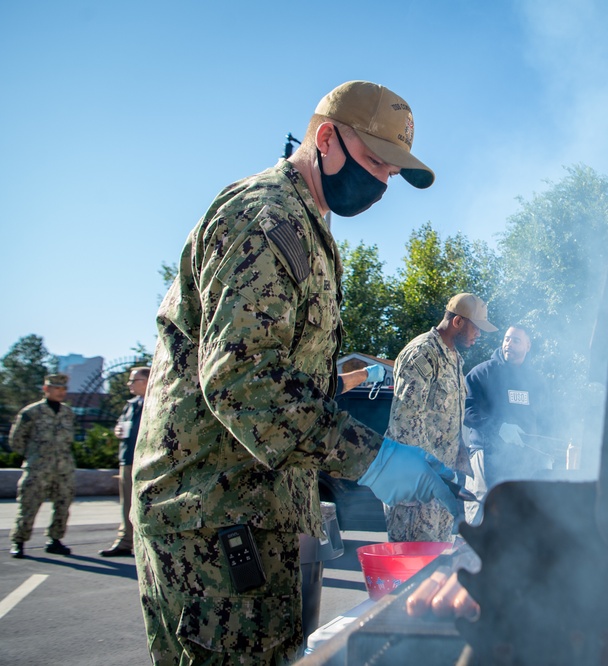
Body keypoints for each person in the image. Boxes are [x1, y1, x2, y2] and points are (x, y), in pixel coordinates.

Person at [131, 80, 461, 665]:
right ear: (326, 138)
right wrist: (375, 460)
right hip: (210, 522)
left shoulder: (309, 225)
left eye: (391, 173)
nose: (382, 184)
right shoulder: (265, 219)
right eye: (374, 163)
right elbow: (245, 386)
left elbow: (297, 381)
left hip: (259, 517)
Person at [384, 293, 497, 542]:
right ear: (457, 322)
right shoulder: (422, 353)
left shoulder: (454, 357)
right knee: (411, 568)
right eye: (476, 328)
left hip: (440, 485)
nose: (478, 334)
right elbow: (405, 424)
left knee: (434, 567)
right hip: (415, 485)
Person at [464, 325, 553, 524]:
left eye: (516, 340)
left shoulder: (536, 381)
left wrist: (545, 453)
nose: (508, 344)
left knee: (518, 516)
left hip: (523, 460)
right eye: (506, 339)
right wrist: (498, 427)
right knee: (480, 513)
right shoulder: (482, 373)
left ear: (528, 346)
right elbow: (466, 410)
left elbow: (546, 419)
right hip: (484, 454)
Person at [8, 373, 76, 558]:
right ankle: (19, 541)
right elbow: (16, 440)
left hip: (63, 469)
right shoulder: (31, 412)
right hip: (38, 468)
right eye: (56, 388)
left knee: (63, 506)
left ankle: (55, 540)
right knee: (28, 505)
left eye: (63, 389)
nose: (60, 392)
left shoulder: (68, 413)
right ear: (46, 389)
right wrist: (35, 456)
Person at [99, 366, 149, 557]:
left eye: (133, 380)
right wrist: (117, 431)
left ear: (145, 382)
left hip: (146, 460)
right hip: (128, 458)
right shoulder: (131, 404)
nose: (129, 384)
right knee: (126, 503)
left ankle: (143, 543)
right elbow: (121, 425)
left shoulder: (157, 401)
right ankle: (125, 541)